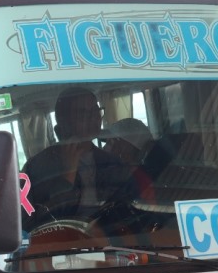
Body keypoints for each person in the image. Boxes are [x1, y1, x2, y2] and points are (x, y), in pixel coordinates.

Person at [20, 87, 136, 230]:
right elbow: (33, 223)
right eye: (82, 113)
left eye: (96, 110)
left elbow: (128, 208)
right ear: (63, 121)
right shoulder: (37, 166)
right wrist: (68, 176)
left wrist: (130, 167)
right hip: (62, 244)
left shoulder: (111, 161)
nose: (93, 117)